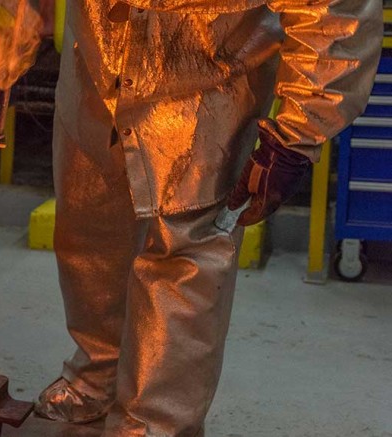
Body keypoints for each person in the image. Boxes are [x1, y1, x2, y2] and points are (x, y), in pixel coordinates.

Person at [33, 0, 382, 435]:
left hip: (205, 81)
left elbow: (336, 9)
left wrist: (299, 132)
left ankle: (154, 422)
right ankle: (97, 375)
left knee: (185, 260)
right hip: (97, 66)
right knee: (89, 234)